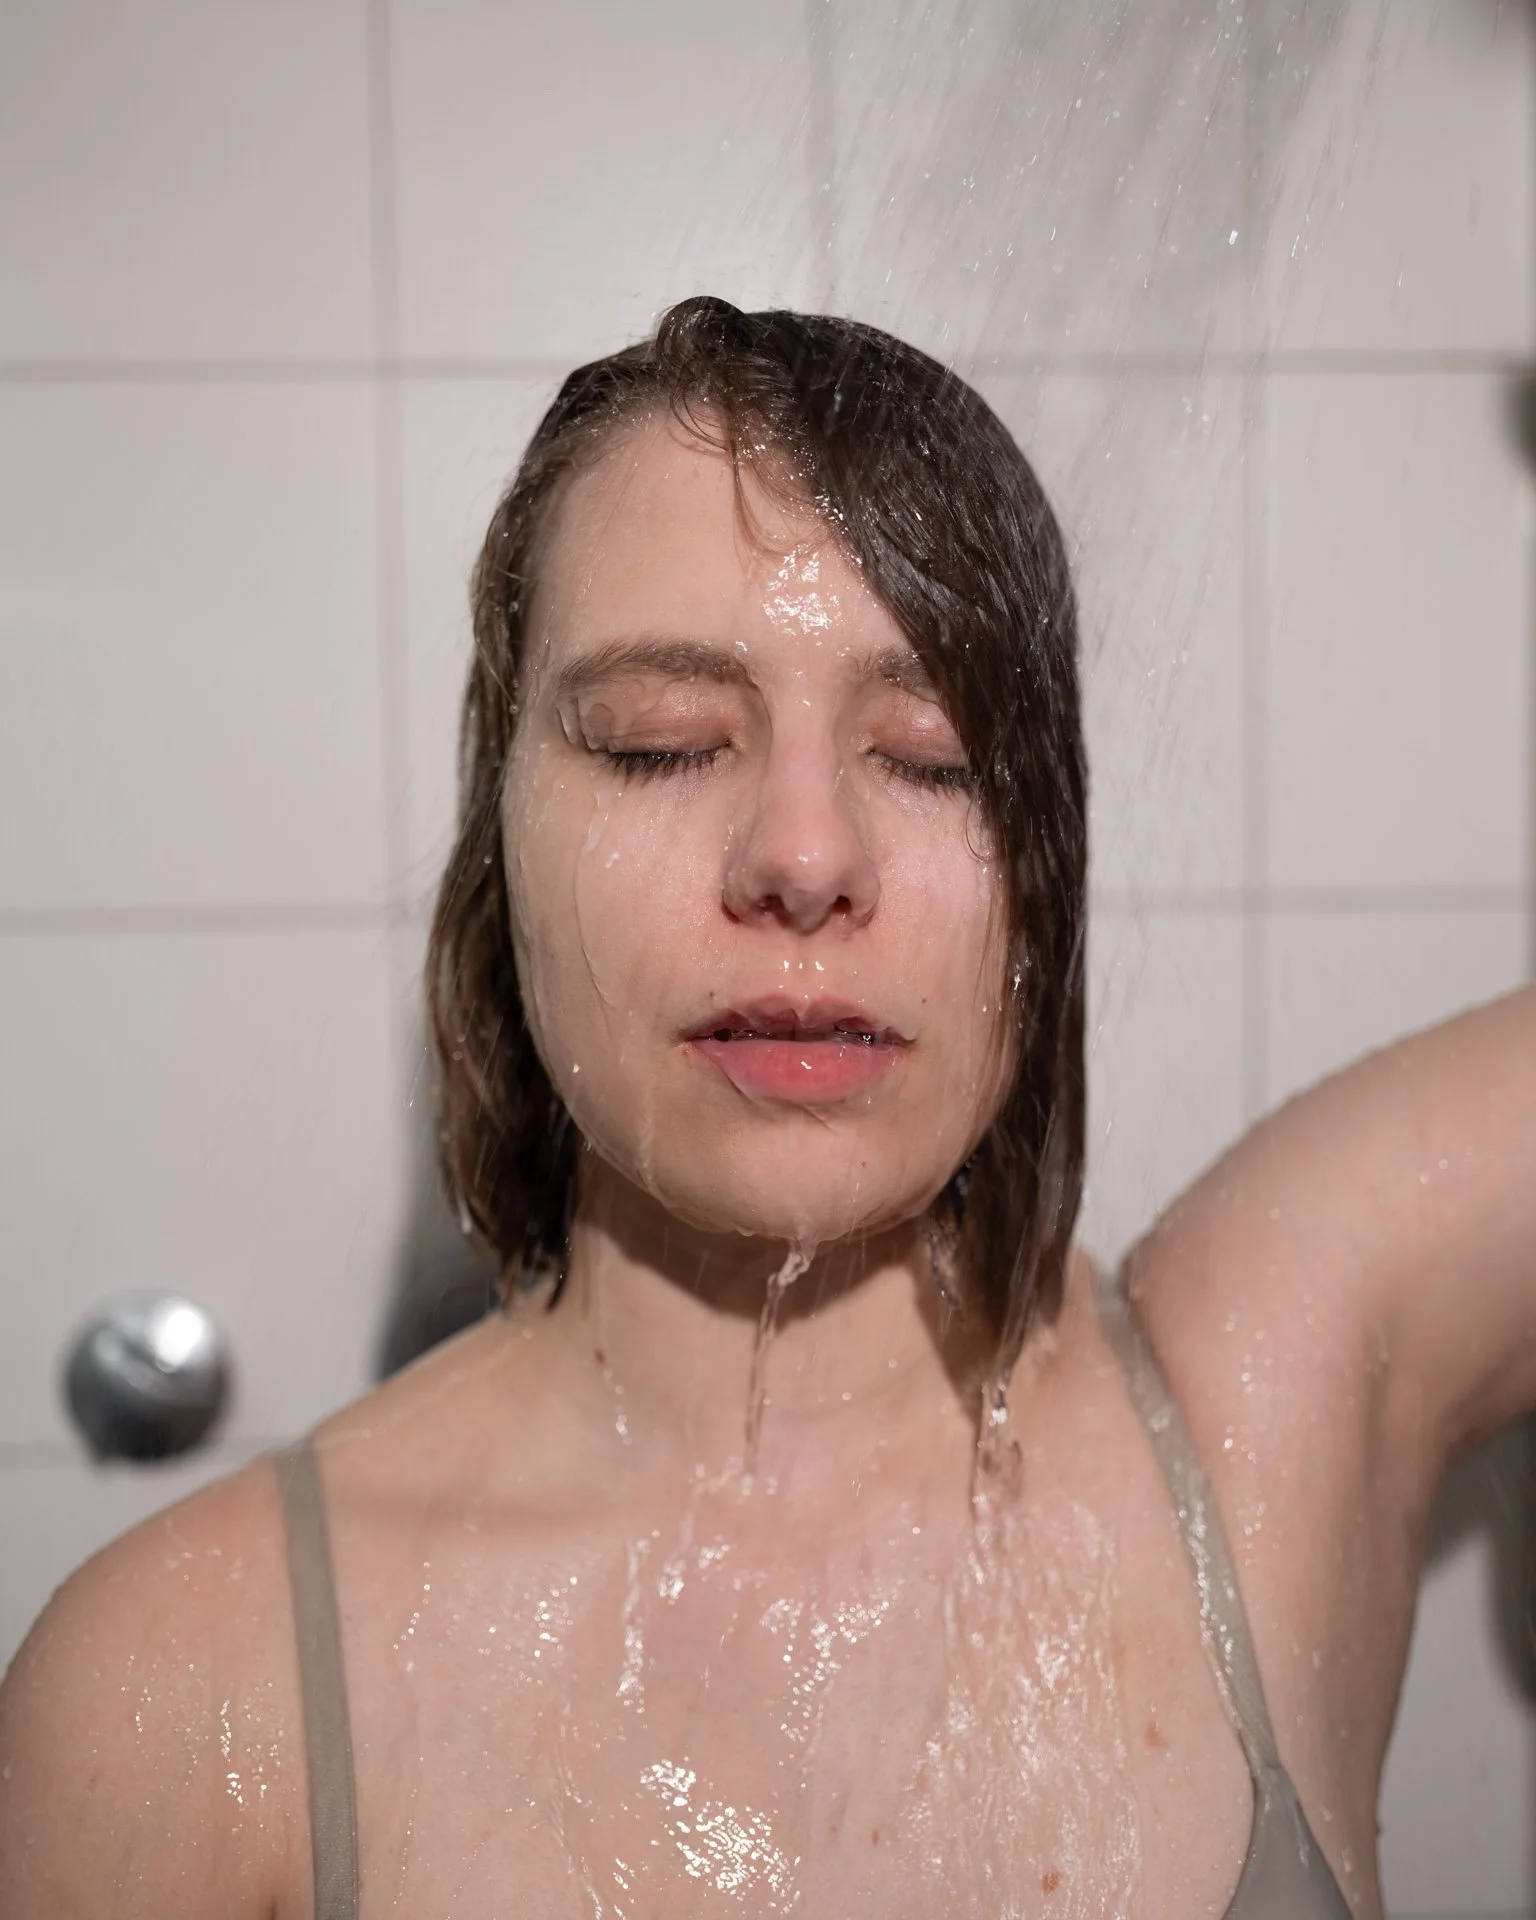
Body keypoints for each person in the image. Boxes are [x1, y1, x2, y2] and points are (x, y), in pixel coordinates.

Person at [1, 296, 1532, 1919]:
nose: (806, 858)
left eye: (936, 755)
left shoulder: (1269, 1403)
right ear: (498, 836)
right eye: (664, 745)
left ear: (1049, 865)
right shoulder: (174, 1704)